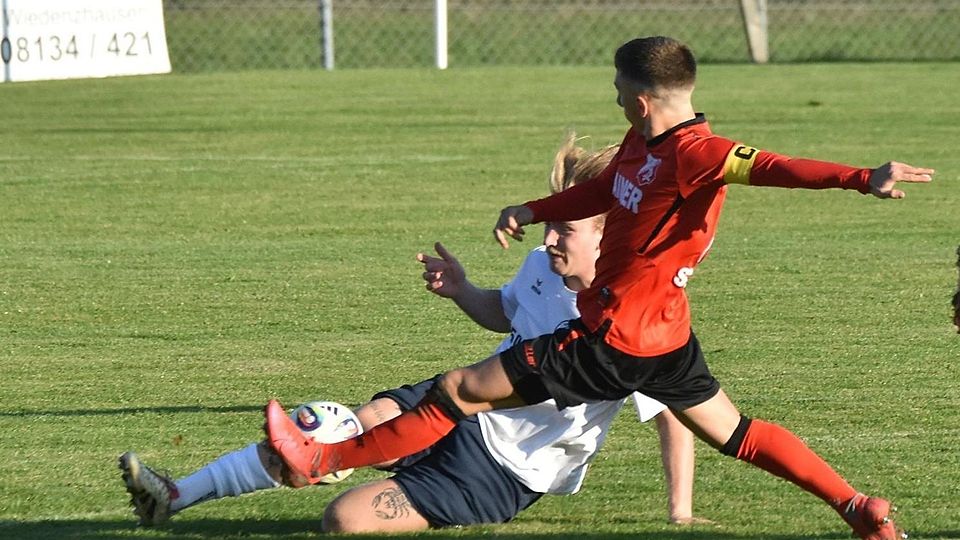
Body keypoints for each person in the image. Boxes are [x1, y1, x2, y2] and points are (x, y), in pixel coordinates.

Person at [263, 36, 932, 540]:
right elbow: (604, 190)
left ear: (640, 98)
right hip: (665, 339)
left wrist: (859, 178)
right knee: (738, 434)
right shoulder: (641, 142)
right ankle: (856, 507)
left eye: (617, 89)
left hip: (613, 341)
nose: (614, 99)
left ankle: (320, 459)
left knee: (460, 390)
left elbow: (775, 165)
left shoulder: (696, 153)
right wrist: (533, 210)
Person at [119, 135, 706, 531]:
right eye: (548, 224)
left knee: (344, 520)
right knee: (338, 424)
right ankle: (177, 496)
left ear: (610, 235)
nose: (548, 239)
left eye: (565, 230)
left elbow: (674, 415)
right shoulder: (540, 268)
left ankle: (360, 479)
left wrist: (679, 514)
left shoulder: (636, 320)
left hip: (502, 470)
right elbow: (507, 314)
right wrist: (463, 290)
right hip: (460, 399)